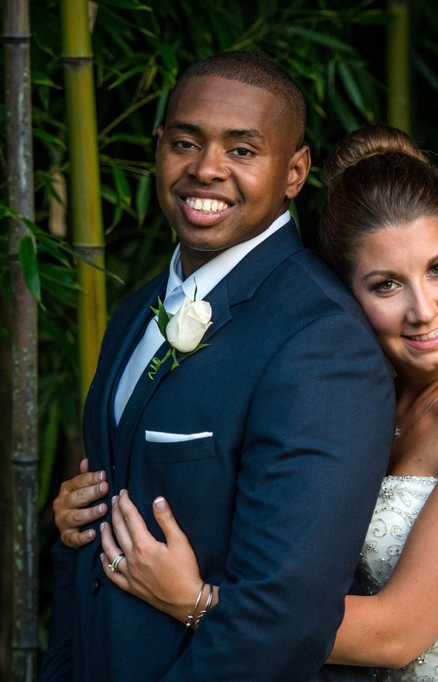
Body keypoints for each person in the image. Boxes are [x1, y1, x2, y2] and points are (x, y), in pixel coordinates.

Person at [89, 124, 438, 681]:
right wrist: (94, 505)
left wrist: (196, 600)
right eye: (386, 285)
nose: (424, 310)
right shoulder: (350, 399)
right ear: (343, 290)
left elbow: (398, 633)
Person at [38, 52, 396, 681]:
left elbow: (282, 615)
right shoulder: (134, 312)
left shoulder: (320, 340)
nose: (205, 169)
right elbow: (95, 532)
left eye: (242, 151)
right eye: (185, 142)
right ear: (158, 150)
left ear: (294, 172)